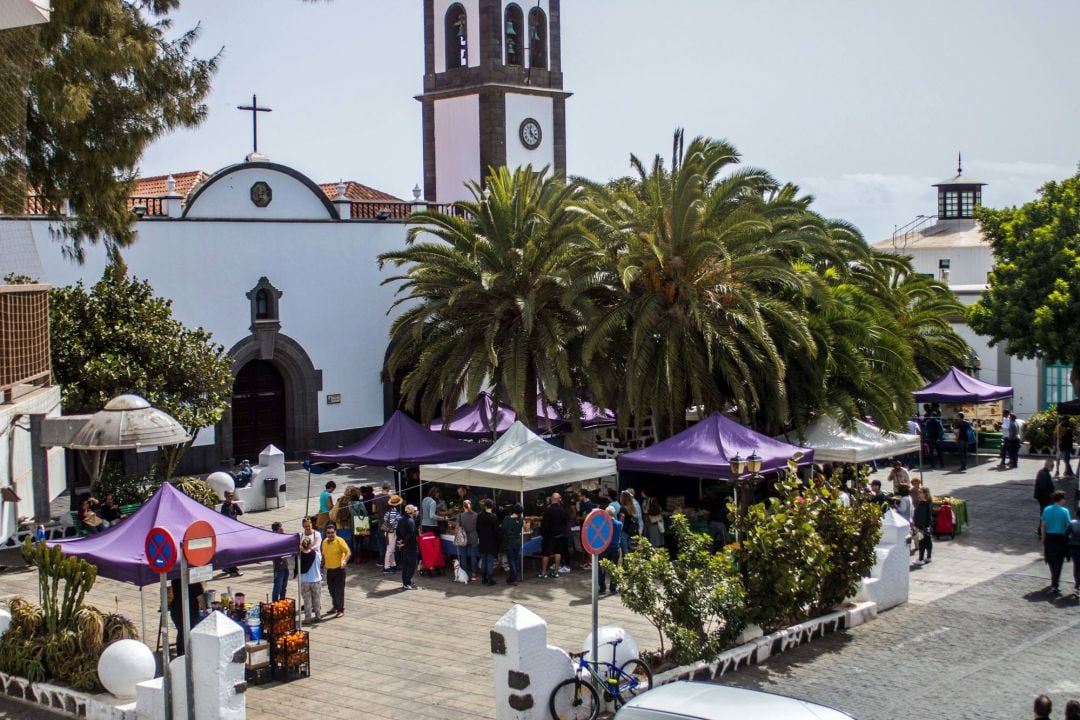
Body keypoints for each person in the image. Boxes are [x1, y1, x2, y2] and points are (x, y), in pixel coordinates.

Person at [1041, 490, 1071, 595]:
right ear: (1061, 499)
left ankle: (1054, 578)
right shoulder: (1064, 511)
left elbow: (1043, 525)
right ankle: (1055, 583)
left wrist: (1043, 538)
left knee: (1050, 559)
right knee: (1059, 561)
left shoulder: (1046, 509)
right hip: (1060, 538)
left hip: (1049, 537)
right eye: (1064, 498)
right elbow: (1068, 526)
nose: (1065, 500)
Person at [320, 521, 350, 618]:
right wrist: (321, 567)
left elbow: (348, 552)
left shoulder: (339, 541)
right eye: (328, 533)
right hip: (330, 570)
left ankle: (340, 609)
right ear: (326, 533)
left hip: (339, 570)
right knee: (331, 589)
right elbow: (323, 555)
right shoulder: (324, 542)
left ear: (335, 532)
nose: (330, 535)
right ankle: (335, 606)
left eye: (332, 532)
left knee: (339, 591)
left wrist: (344, 561)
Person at [168, 577, 204, 656]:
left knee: (181, 631)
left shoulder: (175, 579)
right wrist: (205, 610)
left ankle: (180, 653)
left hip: (176, 610)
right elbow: (200, 598)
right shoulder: (195, 582)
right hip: (189, 611)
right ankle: (186, 653)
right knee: (187, 632)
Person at [298, 521, 322, 624]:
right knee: (316, 600)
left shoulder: (299, 556)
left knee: (307, 601)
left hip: (304, 580)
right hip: (316, 579)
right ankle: (318, 616)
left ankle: (307, 618)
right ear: (311, 544)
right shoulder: (316, 555)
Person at [538, 493, 567, 579]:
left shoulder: (548, 510)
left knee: (545, 554)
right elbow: (565, 523)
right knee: (558, 553)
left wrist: (542, 533)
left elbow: (544, 524)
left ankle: (544, 573)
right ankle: (556, 572)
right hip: (560, 534)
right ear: (559, 500)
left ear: (552, 499)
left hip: (549, 535)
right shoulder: (562, 510)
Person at [597, 505, 623, 595]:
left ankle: (602, 589)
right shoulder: (619, 524)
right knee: (614, 568)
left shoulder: (603, 524)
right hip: (615, 548)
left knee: (601, 569)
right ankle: (613, 588)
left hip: (604, 548)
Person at [219, 491, 243, 577]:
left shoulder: (233, 505)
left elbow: (241, 513)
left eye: (231, 496)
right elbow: (224, 518)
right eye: (229, 496)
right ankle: (233, 569)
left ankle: (228, 567)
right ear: (225, 497)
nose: (230, 498)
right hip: (228, 531)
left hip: (234, 530)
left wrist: (235, 505)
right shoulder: (224, 507)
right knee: (231, 550)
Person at [477, 498, 500, 586]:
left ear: (485, 505)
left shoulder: (480, 515)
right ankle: (490, 579)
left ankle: (483, 578)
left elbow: (477, 528)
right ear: (492, 506)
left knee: (484, 560)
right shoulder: (493, 517)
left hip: (482, 540)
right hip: (491, 542)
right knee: (490, 561)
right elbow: (496, 531)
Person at [397, 503, 420, 590]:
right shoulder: (411, 521)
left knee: (406, 564)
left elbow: (397, 532)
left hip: (404, 545)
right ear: (412, 512)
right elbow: (411, 534)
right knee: (412, 564)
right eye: (414, 511)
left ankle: (406, 582)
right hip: (410, 545)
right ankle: (407, 583)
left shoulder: (401, 519)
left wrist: (400, 542)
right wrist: (404, 542)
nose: (415, 512)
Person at [457, 499, 479, 580]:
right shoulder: (476, 515)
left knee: (463, 556)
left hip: (463, 537)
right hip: (473, 536)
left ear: (463, 506)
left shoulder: (460, 515)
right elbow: (478, 526)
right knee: (473, 556)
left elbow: (457, 528)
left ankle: (465, 574)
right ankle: (474, 575)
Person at [501, 504, 523, 585]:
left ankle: (513, 578)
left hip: (509, 543)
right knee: (515, 560)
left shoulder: (507, 519)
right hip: (517, 542)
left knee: (511, 560)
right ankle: (513, 577)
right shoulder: (521, 520)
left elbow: (503, 529)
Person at [912, 487, 934, 564]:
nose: (919, 494)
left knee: (921, 542)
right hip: (927, 526)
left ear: (925, 494)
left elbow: (920, 516)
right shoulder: (929, 502)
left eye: (921, 492)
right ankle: (929, 556)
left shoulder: (923, 503)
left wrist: (916, 526)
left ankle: (921, 559)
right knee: (928, 542)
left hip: (921, 527)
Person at [1034, 459, 1056, 536]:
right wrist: (1050, 495)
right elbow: (1043, 488)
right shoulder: (1044, 474)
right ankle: (1041, 531)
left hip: (1041, 496)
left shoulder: (1042, 472)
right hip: (1044, 497)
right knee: (1044, 513)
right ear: (1050, 466)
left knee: (1043, 513)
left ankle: (1041, 530)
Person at [372, 482, 392, 567]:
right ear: (388, 488)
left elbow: (373, 510)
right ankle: (388, 561)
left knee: (381, 542)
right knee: (389, 543)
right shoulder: (390, 497)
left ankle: (381, 560)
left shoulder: (376, 497)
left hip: (380, 523)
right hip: (388, 523)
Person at [270, 521, 291, 601]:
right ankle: (274, 603)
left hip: (285, 566)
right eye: (280, 528)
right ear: (275, 531)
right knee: (277, 588)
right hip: (278, 568)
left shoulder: (283, 538)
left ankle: (282, 602)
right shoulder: (273, 541)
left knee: (283, 587)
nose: (282, 529)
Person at [383, 495, 403, 573]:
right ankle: (387, 567)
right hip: (391, 532)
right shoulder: (393, 511)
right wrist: (398, 523)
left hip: (389, 532)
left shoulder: (390, 510)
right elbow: (392, 522)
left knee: (391, 550)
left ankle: (392, 565)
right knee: (390, 550)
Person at [1068, 507, 1080, 598]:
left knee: (1076, 566)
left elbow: (1066, 535)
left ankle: (1076, 586)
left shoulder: (1072, 523)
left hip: (1074, 548)